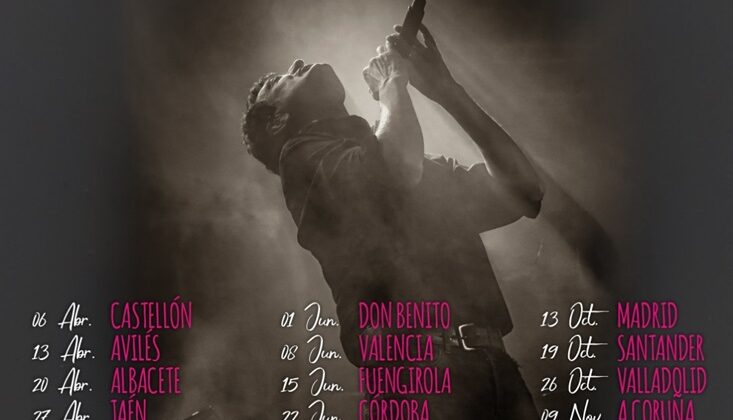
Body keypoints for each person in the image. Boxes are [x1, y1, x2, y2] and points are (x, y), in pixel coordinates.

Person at [242, 24, 543, 419]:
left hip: (495, 371)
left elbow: (524, 191)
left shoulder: (408, 159)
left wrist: (447, 91)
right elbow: (397, 169)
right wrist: (392, 84)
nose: (296, 62)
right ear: (277, 122)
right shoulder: (300, 158)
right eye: (276, 81)